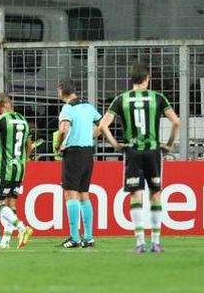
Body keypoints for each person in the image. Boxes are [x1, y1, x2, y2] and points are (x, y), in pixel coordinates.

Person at [97, 63, 180, 254]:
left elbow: (102, 126)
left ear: (132, 79)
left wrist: (116, 145)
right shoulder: (157, 98)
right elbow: (176, 122)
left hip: (132, 151)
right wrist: (168, 144)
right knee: (155, 193)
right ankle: (156, 242)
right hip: (153, 151)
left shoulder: (121, 99)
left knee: (136, 194)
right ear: (147, 79)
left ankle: (140, 242)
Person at [52, 79, 102, 248]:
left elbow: (63, 129)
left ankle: (74, 237)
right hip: (88, 153)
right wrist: (89, 135)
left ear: (61, 91)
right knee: (84, 194)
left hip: (73, 152)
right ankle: (88, 237)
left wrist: (59, 144)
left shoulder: (68, 108)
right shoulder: (88, 106)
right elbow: (101, 126)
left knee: (70, 194)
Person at [0, 93, 33, 249]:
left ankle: (22, 227)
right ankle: (5, 241)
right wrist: (23, 161)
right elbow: (29, 146)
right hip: (19, 169)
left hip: (4, 170)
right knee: (11, 205)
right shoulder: (23, 119)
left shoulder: (1, 119)